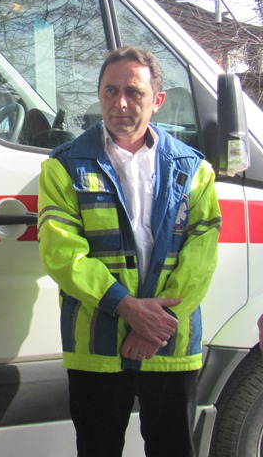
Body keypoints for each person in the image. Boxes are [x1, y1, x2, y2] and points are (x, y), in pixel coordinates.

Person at [38, 46, 221, 457]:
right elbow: (61, 252)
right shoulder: (64, 166)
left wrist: (157, 325)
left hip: (169, 345)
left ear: (157, 100)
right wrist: (128, 308)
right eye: (110, 90)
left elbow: (201, 258)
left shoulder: (194, 169)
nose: (120, 103)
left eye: (134, 92)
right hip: (97, 349)